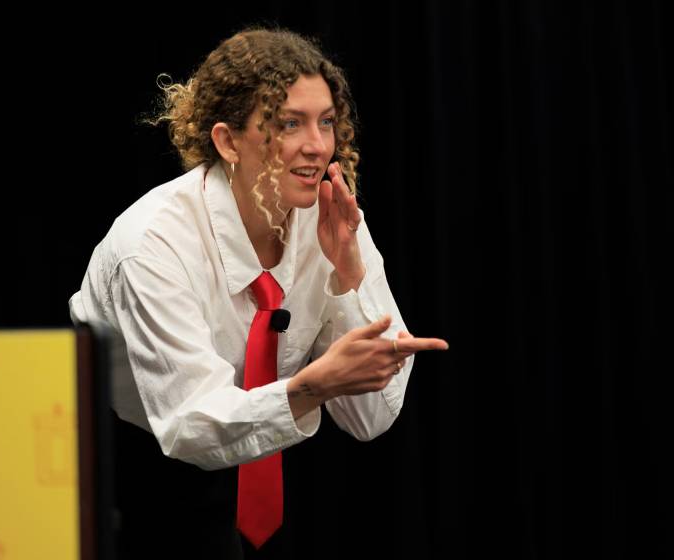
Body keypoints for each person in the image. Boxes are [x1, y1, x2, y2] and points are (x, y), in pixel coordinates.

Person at [69, 25, 449, 559]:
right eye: (288, 123)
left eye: (326, 123)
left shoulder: (332, 219)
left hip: (260, 452)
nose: (316, 146)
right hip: (125, 467)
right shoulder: (152, 243)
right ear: (227, 141)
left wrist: (350, 278)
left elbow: (371, 420)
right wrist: (311, 388)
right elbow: (187, 425)